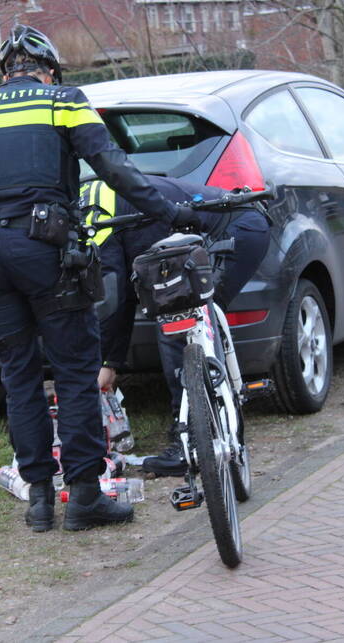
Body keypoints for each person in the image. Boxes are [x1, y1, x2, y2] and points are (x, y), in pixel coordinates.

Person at [0, 25, 200, 532]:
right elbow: (114, 168)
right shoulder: (63, 101)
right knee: (76, 371)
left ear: (4, 72)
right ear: (50, 70)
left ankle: (39, 499)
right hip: (42, 249)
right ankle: (83, 496)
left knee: (18, 375)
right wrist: (168, 213)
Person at [82, 175, 271, 476]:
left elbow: (114, 296)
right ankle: (203, 427)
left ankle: (194, 440)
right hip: (233, 230)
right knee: (183, 320)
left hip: (238, 230)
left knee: (179, 322)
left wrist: (108, 362)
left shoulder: (95, 212)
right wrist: (111, 360)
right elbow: (125, 293)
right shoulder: (95, 197)